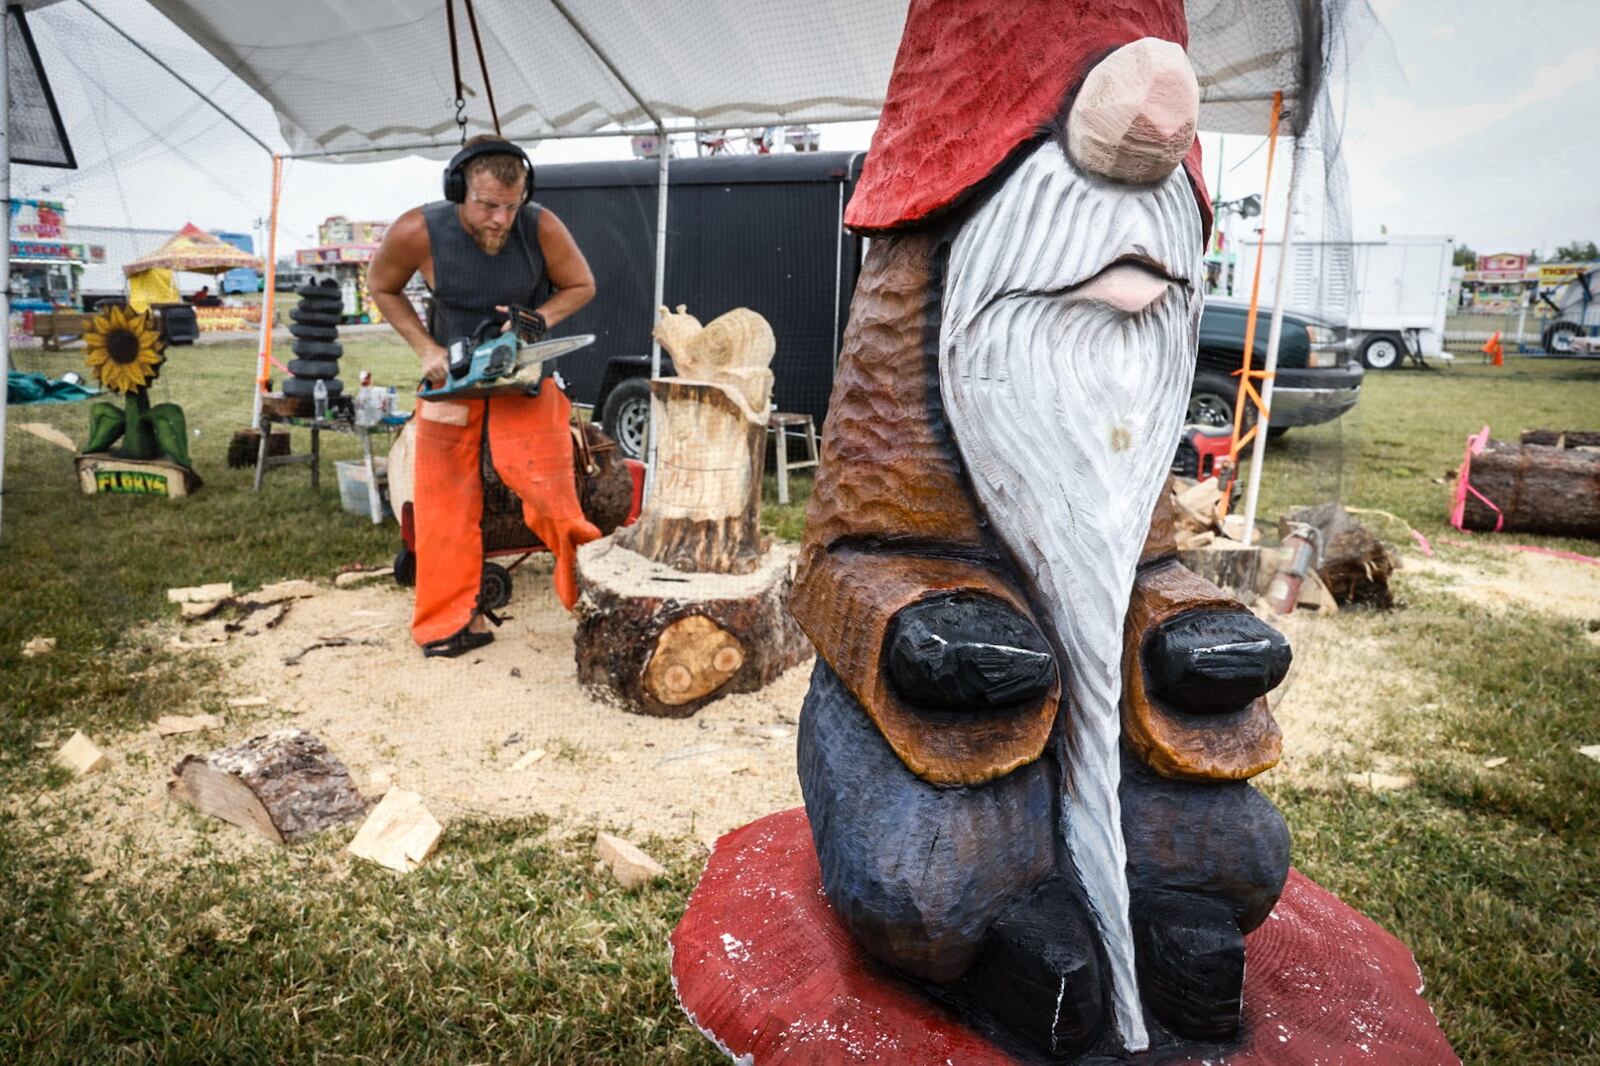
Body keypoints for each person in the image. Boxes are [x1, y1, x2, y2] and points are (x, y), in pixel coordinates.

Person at [368, 135, 600, 658]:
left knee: (550, 493)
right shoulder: (418, 230)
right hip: (452, 379)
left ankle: (597, 601)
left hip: (522, 377)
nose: (499, 218)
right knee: (442, 501)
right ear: (458, 190)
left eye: (509, 206)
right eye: (487, 205)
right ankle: (448, 622)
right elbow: (381, 285)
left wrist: (540, 320)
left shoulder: (539, 226)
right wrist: (425, 349)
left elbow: (581, 285)